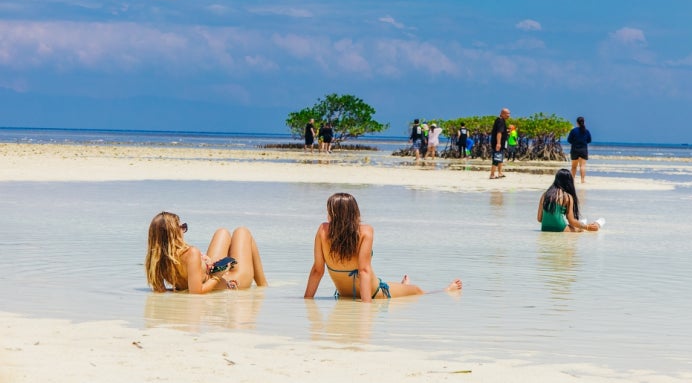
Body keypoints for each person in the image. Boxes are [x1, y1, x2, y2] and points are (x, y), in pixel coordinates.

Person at [304, 193, 463, 302]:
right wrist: (367, 304)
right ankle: (409, 288)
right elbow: (364, 271)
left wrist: (307, 299)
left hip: (356, 293)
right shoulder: (365, 232)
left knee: (416, 291)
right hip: (373, 293)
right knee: (417, 291)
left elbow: (318, 270)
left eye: (329, 211)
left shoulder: (323, 231)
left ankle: (446, 290)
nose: (327, 214)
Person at [145, 211, 268, 293]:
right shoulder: (190, 253)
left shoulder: (155, 260)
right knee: (242, 232)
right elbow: (197, 293)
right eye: (182, 227)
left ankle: (263, 286)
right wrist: (218, 276)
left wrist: (182, 287)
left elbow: (161, 291)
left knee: (222, 232)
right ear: (173, 234)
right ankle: (263, 288)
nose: (184, 230)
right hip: (231, 282)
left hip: (211, 273)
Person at [537, 169, 601, 232]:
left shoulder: (545, 195)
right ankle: (597, 224)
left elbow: (539, 219)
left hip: (545, 228)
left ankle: (583, 223)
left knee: (578, 226)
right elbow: (571, 221)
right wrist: (587, 227)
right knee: (580, 229)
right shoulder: (567, 197)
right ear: (569, 181)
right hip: (560, 228)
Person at [567, 116, 592, 183]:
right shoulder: (586, 131)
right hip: (583, 150)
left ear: (577, 123)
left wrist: (575, 142)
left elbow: (569, 140)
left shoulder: (573, 131)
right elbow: (589, 140)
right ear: (584, 122)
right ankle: (582, 180)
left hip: (575, 150)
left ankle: (572, 181)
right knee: (582, 166)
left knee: (574, 167)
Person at [489, 107, 510, 179]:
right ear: (502, 114)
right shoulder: (500, 120)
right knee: (497, 158)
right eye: (507, 113)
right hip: (498, 143)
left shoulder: (501, 120)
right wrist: (498, 143)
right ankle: (492, 174)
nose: (509, 115)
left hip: (502, 143)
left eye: (509, 113)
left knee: (500, 158)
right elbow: (499, 132)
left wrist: (506, 132)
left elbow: (501, 131)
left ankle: (500, 173)